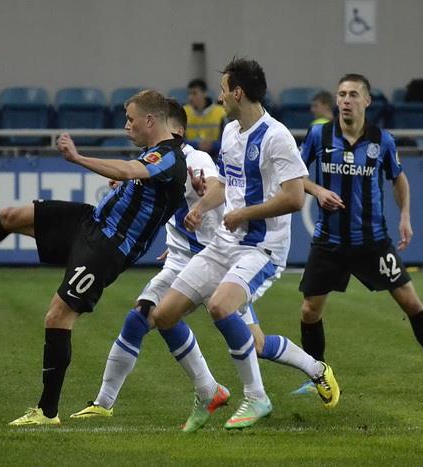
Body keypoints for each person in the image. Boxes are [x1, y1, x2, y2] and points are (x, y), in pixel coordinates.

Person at [0, 89, 188, 425]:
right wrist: (122, 187)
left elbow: (130, 171)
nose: (126, 126)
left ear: (150, 120)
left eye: (130, 119)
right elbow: (140, 184)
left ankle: (47, 411)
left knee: (57, 315)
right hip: (90, 222)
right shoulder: (155, 153)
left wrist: (78, 158)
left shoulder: (169, 156)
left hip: (108, 247)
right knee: (10, 216)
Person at [70, 99, 340, 426]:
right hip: (184, 259)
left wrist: (201, 199)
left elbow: (218, 186)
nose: (132, 126)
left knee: (254, 343)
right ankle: (109, 402)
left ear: (177, 130)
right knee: (145, 315)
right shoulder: (152, 161)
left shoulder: (195, 159)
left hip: (222, 256)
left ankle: (314, 369)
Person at [147, 57, 330, 432]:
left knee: (220, 306)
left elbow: (295, 198)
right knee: (163, 315)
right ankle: (209, 390)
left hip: (263, 248)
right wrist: (201, 206)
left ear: (238, 93)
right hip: (224, 242)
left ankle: (256, 396)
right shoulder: (230, 132)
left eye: (222, 90)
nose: (219, 98)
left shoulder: (276, 136)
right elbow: (227, 187)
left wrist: (244, 214)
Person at [294, 73, 423, 396]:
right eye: (341, 94)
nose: (346, 100)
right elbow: (295, 174)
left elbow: (398, 178)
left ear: (367, 101)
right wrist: (317, 190)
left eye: (353, 94)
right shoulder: (319, 135)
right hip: (329, 241)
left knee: (411, 303)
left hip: (373, 242)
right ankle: (316, 376)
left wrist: (405, 216)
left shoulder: (382, 141)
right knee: (309, 310)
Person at [184, 78, 226, 159]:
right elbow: (178, 141)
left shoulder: (221, 112)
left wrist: (212, 145)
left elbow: (227, 141)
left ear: (204, 93)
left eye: (194, 93)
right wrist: (197, 145)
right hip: (191, 156)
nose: (190, 98)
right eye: (189, 94)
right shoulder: (184, 112)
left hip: (215, 156)